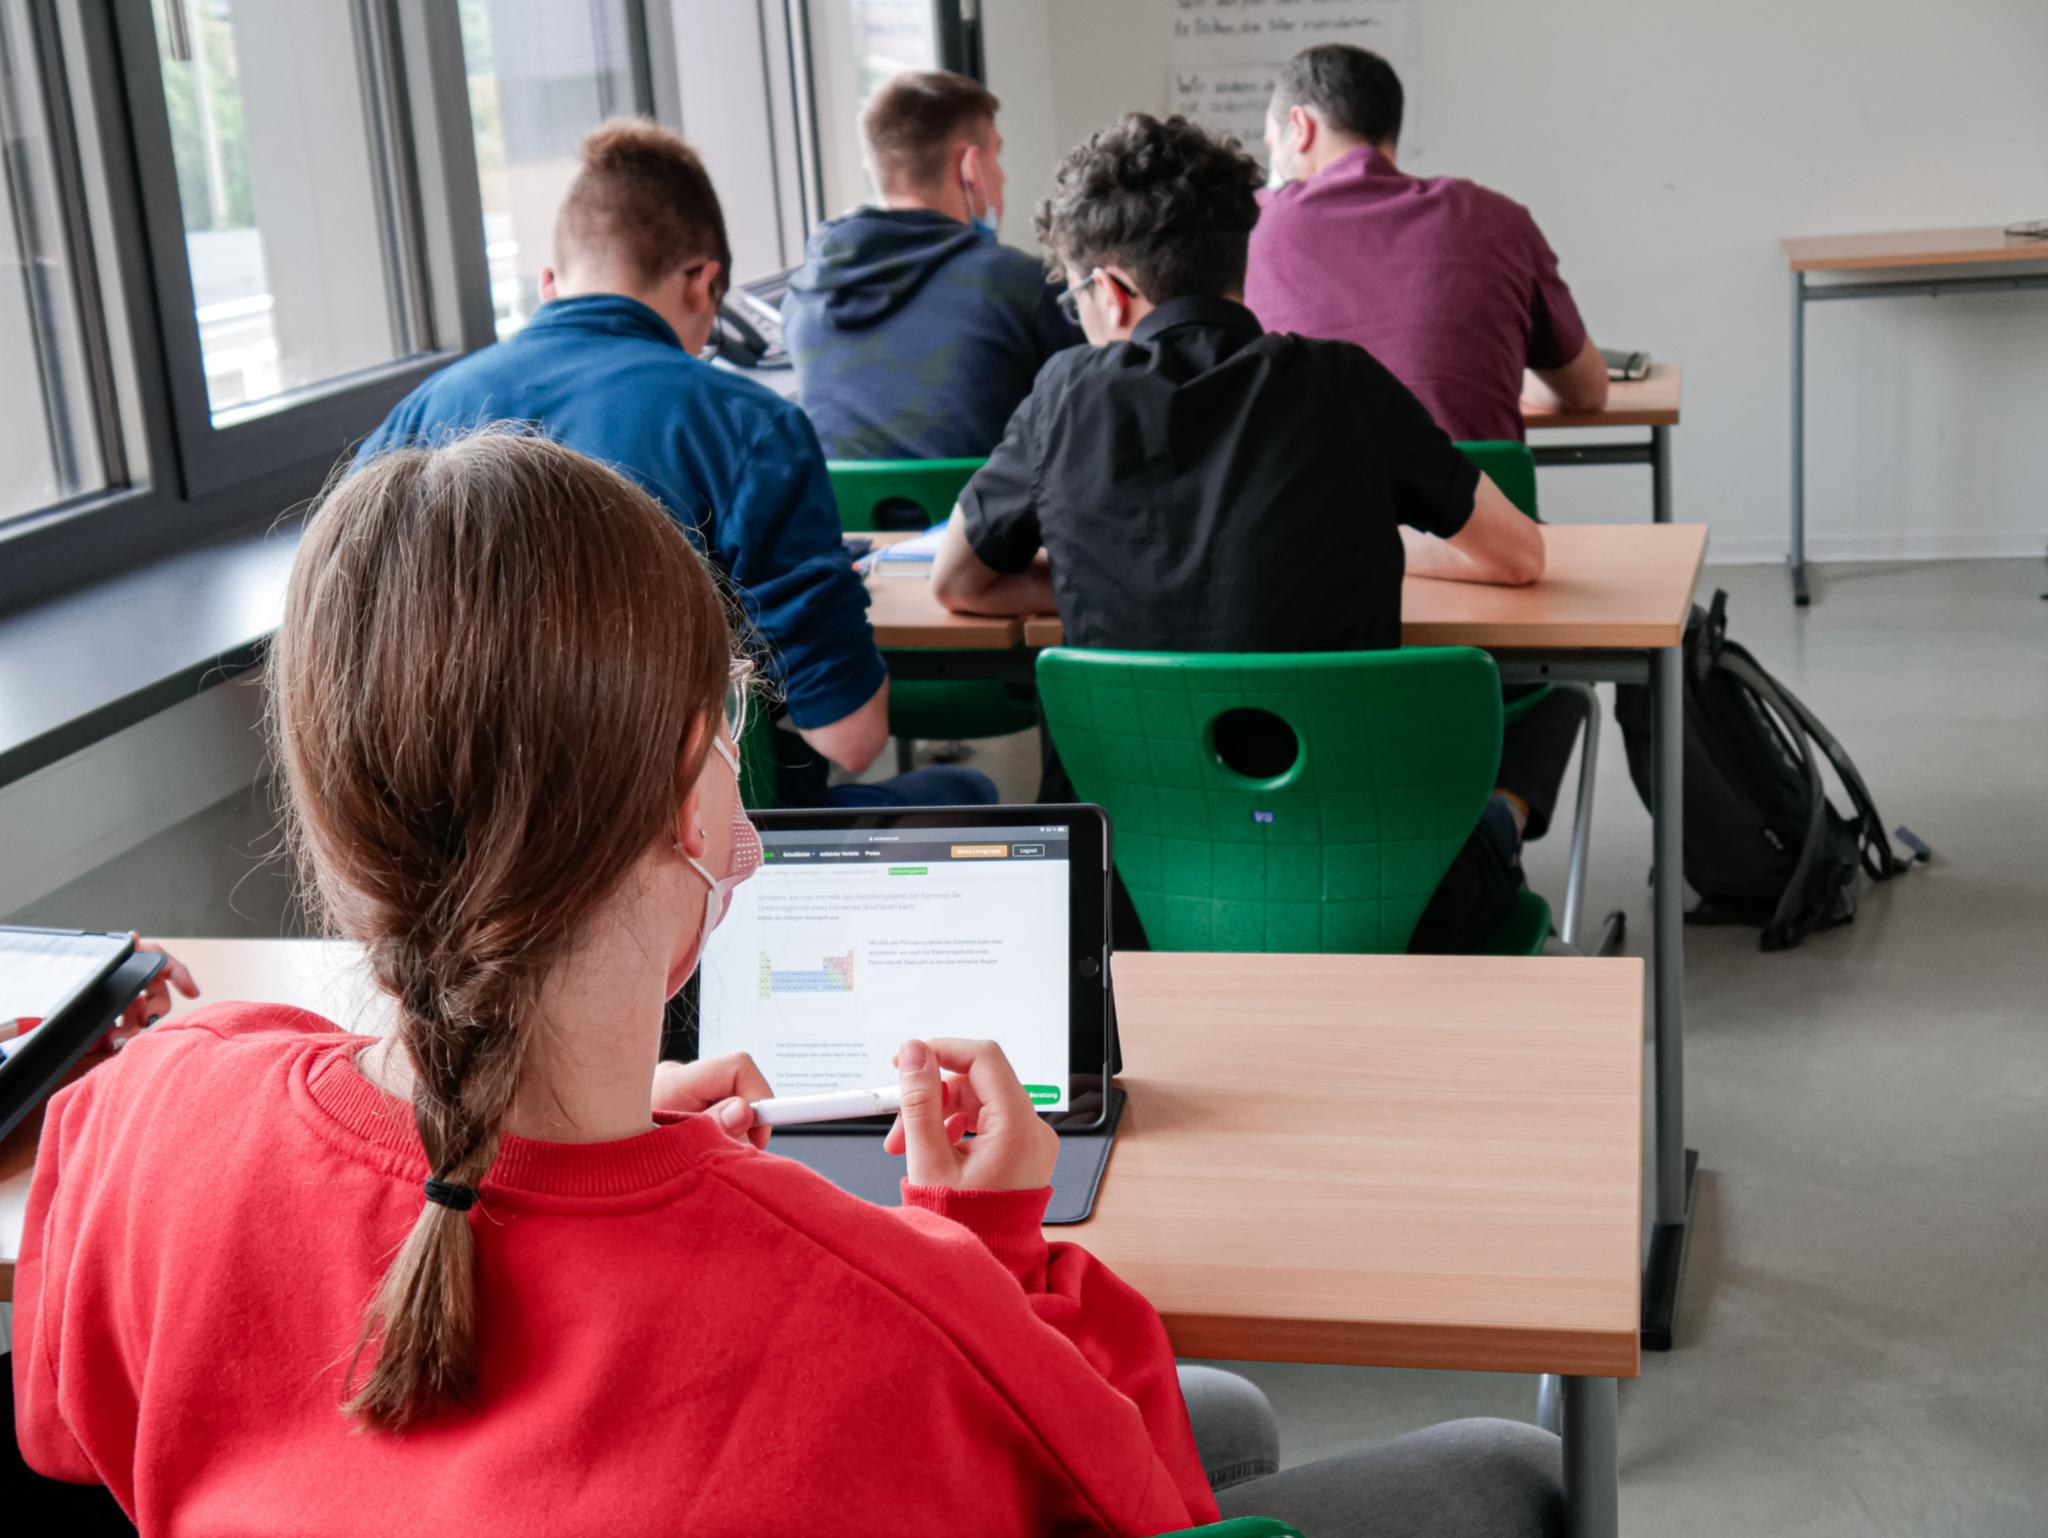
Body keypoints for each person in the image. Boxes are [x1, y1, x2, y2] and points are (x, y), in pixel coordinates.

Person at [12, 434, 1557, 1538]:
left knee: (1244, 1412)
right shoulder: (898, 1310)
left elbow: (68, 1425)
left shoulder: (149, 1104)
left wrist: (594, 1141)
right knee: (1499, 1466)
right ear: (702, 800)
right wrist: (988, 1243)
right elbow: (1134, 1486)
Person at [932, 112, 1587, 955]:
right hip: (1374, 893)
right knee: (1549, 705)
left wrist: (1097, 574)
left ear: (1115, 290)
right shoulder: (1344, 383)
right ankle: (1503, 822)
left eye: (1076, 293)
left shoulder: (1066, 397)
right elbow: (1518, 555)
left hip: (1122, 898)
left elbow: (957, 582)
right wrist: (1370, 541)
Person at [356, 120, 992, 810]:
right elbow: (851, 736)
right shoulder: (747, 424)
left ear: (549, 283)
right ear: (703, 282)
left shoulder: (414, 420)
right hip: (690, 844)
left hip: (479, 847)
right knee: (968, 790)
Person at [1247, 44, 1609, 442]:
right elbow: (1587, 392)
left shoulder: (1245, 228)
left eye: (1271, 145)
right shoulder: (1498, 221)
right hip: (1477, 501)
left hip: (1303, 499)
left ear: (1300, 127)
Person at [782, 70, 1082, 463]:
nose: (1003, 175)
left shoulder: (804, 297)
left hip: (848, 526)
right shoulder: (1022, 286)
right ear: (971, 167)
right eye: (997, 153)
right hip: (990, 523)